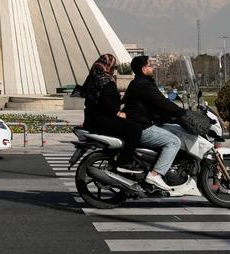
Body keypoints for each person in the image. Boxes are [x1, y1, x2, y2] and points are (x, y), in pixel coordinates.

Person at [76, 54, 149, 188]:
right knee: (135, 129)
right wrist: (118, 112)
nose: (114, 70)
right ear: (108, 66)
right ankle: (124, 162)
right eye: (113, 67)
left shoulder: (93, 78)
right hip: (103, 120)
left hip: (92, 120)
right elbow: (108, 105)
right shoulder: (107, 81)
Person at [122, 55, 188, 193]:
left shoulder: (136, 83)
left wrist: (170, 116)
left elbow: (155, 105)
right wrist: (183, 113)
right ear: (143, 68)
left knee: (170, 131)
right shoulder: (144, 85)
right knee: (174, 141)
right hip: (142, 126)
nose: (152, 68)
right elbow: (162, 102)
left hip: (137, 124)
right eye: (149, 65)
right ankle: (155, 174)